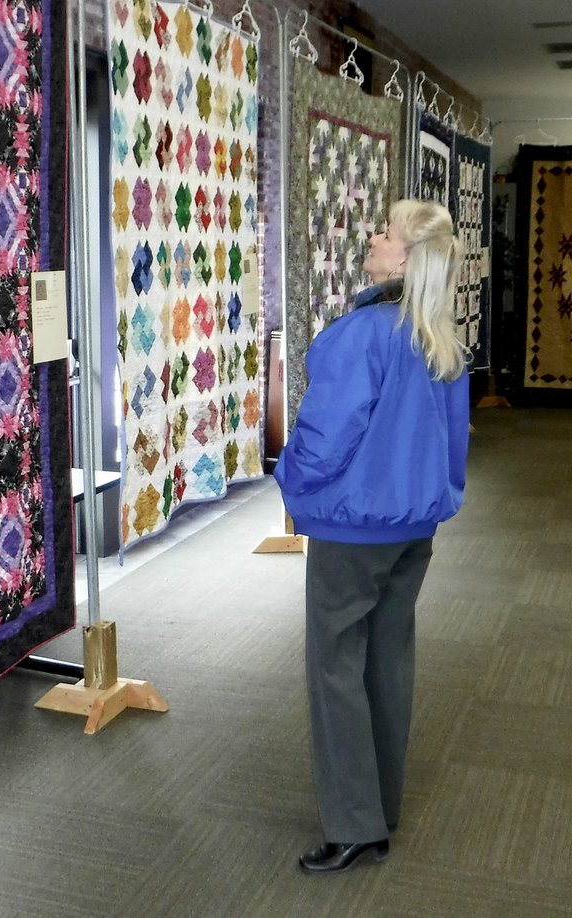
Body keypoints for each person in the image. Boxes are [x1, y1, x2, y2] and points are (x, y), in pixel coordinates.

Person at [274, 199, 470, 873]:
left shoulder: (360, 335)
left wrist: (291, 482)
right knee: (388, 661)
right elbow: (452, 445)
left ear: (408, 258)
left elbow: (323, 439)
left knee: (334, 669)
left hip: (353, 529)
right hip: (414, 527)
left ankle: (354, 825)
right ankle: (380, 807)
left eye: (385, 234)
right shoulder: (440, 339)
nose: (373, 240)